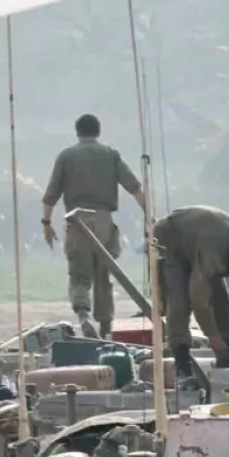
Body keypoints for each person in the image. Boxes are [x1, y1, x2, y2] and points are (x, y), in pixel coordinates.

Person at [41, 113, 146, 338]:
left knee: (79, 275)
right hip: (104, 220)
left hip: (77, 220)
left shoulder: (66, 156)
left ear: (77, 132)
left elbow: (51, 195)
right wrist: (149, 216)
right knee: (103, 276)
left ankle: (83, 315)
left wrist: (46, 223)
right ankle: (106, 327)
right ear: (98, 131)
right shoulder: (111, 154)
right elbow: (135, 188)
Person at [153, 206, 229, 376]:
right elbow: (200, 303)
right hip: (173, 239)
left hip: (203, 240)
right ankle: (182, 365)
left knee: (222, 302)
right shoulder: (212, 255)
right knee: (179, 303)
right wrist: (213, 337)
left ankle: (227, 355)